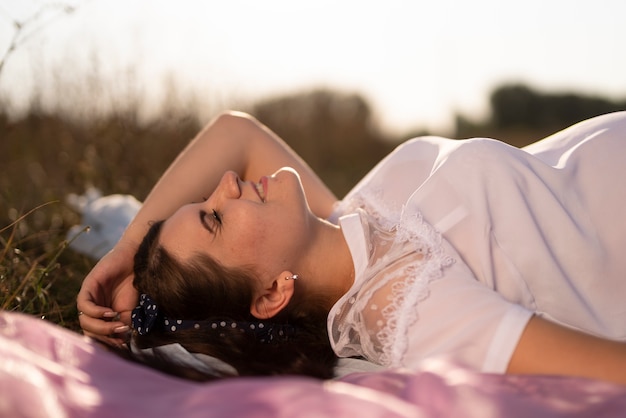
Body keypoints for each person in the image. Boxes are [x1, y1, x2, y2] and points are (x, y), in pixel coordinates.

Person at [77, 110, 626, 385]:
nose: (226, 180)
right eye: (215, 219)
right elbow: (607, 370)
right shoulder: (407, 308)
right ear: (271, 294)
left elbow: (235, 132)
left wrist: (129, 249)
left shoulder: (348, 222)